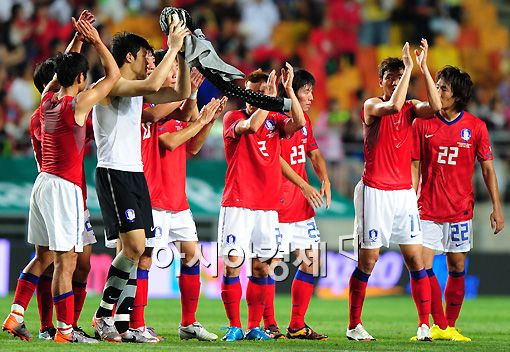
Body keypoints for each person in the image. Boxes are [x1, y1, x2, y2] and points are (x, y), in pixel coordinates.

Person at [4, 17, 120, 344]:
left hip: (42, 184)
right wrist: (96, 41)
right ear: (81, 79)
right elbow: (113, 76)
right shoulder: (77, 104)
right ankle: (65, 331)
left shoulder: (47, 101)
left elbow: (58, 74)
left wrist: (77, 41)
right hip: (64, 187)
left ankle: (15, 315)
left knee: (44, 259)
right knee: (65, 263)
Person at [91, 18, 191, 343]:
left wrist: (186, 57)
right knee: (133, 247)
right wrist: (172, 46)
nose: (152, 62)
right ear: (130, 56)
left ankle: (123, 323)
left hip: (135, 175)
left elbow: (181, 92)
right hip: (114, 173)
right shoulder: (112, 84)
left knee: (139, 250)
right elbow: (151, 86)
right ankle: (103, 314)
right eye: (148, 56)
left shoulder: (136, 94)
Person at [346, 39, 441, 342]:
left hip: (403, 194)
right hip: (375, 191)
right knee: (368, 261)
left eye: (400, 77)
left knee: (416, 260)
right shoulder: (372, 105)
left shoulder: (412, 109)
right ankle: (354, 325)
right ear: (381, 81)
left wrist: (423, 69)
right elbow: (394, 105)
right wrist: (409, 69)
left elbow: (438, 108)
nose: (396, 81)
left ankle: (424, 325)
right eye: (391, 77)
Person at [411, 66, 504, 341]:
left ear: (458, 96)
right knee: (422, 266)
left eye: (443, 89)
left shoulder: (475, 127)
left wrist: (497, 207)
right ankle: (433, 324)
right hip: (426, 207)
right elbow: (415, 164)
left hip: (460, 211)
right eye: (436, 86)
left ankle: (449, 326)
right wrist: (408, 199)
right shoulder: (423, 123)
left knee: (457, 268)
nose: (437, 92)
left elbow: (488, 169)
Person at [218, 64, 305, 341]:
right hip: (239, 202)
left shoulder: (275, 121)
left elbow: (300, 123)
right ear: (246, 94)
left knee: (262, 267)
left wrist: (287, 91)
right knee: (233, 263)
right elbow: (253, 125)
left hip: (267, 207)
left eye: (262, 93)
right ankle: (234, 325)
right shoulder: (233, 117)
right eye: (253, 94)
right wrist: (269, 99)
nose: (256, 97)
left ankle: (255, 326)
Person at [263, 69, 330, 340]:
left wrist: (324, 178)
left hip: (301, 207)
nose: (311, 97)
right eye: (306, 91)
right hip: (277, 203)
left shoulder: (306, 122)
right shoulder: (275, 119)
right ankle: (269, 324)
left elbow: (313, 153)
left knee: (311, 261)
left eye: (312, 91)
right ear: (291, 91)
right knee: (272, 264)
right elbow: (275, 160)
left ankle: (297, 325)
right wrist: (304, 185)